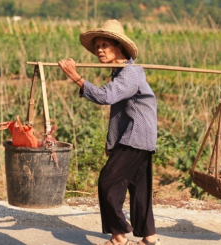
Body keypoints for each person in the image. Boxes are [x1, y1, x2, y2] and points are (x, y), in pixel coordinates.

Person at [58, 19, 161, 245]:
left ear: (119, 48)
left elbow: (107, 97)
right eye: (97, 47)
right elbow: (119, 113)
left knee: (107, 182)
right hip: (138, 136)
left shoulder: (130, 73)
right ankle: (150, 237)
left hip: (135, 137)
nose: (100, 50)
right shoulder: (120, 73)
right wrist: (112, 141)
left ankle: (118, 235)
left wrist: (76, 77)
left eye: (105, 45)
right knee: (139, 187)